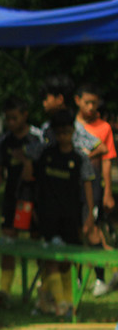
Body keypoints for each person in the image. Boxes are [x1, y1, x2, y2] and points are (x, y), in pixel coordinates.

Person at [32, 107, 95, 317]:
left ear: (72, 133)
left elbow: (87, 189)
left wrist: (89, 218)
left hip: (71, 216)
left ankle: (68, 302)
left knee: (67, 261)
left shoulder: (79, 159)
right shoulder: (46, 156)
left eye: (66, 132)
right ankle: (60, 305)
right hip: (49, 216)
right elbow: (36, 184)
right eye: (59, 133)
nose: (63, 137)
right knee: (52, 260)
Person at [0, 97, 43, 301]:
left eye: (14, 118)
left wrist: (25, 160)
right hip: (12, 196)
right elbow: (0, 172)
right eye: (7, 119)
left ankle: (44, 287)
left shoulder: (37, 138)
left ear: (24, 115)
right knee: (8, 242)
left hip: (33, 198)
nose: (11, 122)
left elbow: (35, 172)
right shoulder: (4, 141)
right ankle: (4, 289)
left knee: (38, 242)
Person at [73, 82, 118, 296]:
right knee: (78, 232)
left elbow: (107, 160)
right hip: (71, 189)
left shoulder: (104, 128)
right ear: (77, 101)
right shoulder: (69, 126)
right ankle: (77, 278)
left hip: (93, 188)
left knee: (92, 231)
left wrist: (108, 191)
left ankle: (102, 277)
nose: (91, 107)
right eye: (87, 102)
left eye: (94, 103)